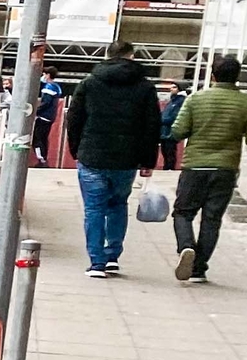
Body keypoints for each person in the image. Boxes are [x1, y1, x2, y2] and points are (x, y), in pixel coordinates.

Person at [169, 52, 247, 284]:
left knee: (183, 212)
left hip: (195, 166)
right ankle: (198, 269)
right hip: (225, 169)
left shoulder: (195, 99)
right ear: (237, 77)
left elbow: (177, 131)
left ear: (213, 75)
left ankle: (186, 246)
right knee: (212, 218)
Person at [62, 51, 162, 278]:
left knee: (94, 209)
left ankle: (97, 262)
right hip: (126, 159)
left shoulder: (89, 83)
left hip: (92, 157)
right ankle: (112, 256)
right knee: (118, 205)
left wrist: (76, 149)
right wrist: (148, 160)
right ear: (132, 56)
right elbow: (151, 126)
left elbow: (74, 119)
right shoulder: (145, 87)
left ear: (108, 56)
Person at [30, 58, 64, 164]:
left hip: (44, 116)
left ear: (48, 75)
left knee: (38, 138)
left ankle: (41, 158)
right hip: (50, 116)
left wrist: (36, 111)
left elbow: (46, 102)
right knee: (44, 137)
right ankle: (43, 157)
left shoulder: (49, 87)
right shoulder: (56, 87)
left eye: (44, 74)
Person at [158, 80, 189, 170]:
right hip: (165, 132)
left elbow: (174, 116)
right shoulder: (172, 101)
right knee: (165, 152)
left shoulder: (180, 102)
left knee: (170, 153)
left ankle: (169, 170)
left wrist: (161, 120)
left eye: (174, 87)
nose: (171, 89)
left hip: (170, 132)